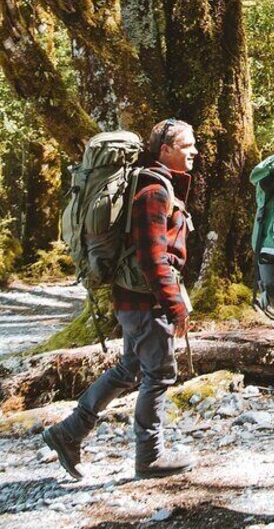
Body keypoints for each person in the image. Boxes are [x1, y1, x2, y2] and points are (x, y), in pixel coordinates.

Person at [42, 119, 198, 480]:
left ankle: (68, 433)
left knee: (129, 368)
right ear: (165, 149)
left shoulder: (149, 185)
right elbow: (152, 256)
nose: (194, 152)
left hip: (132, 300)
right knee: (159, 374)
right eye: (186, 145)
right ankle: (150, 457)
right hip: (146, 302)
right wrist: (174, 306)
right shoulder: (154, 191)